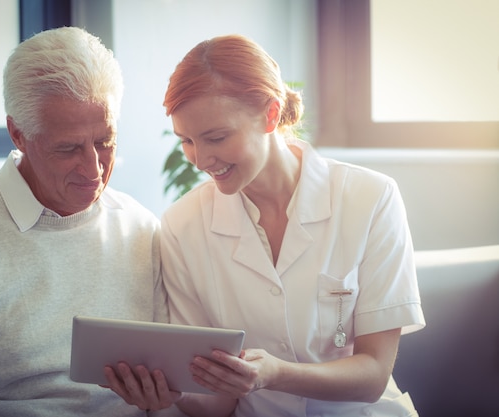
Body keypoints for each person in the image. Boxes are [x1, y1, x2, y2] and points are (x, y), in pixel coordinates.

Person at [104, 34, 426, 416]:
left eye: (217, 137)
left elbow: (373, 374)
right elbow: (217, 403)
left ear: (271, 115)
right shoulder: (182, 225)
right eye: (186, 141)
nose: (200, 159)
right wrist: (172, 396)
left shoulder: (371, 198)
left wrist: (274, 374)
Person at [0, 27, 183, 417]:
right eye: (68, 148)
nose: (94, 168)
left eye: (105, 141)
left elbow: (169, 393)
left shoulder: (141, 228)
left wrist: (165, 402)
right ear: (18, 134)